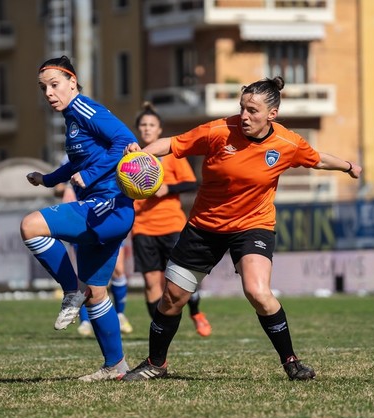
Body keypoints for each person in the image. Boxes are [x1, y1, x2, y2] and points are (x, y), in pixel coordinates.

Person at [121, 76, 361, 382]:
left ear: (272, 114)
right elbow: (172, 143)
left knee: (258, 292)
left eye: (253, 111)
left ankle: (291, 362)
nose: (244, 116)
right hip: (204, 226)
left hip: (253, 225)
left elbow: (316, 159)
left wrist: (349, 166)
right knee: (172, 299)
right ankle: (156, 364)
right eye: (242, 108)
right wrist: (141, 154)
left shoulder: (287, 143)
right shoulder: (218, 130)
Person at [21, 55, 135, 381]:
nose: (48, 92)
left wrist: (93, 173)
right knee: (97, 293)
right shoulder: (72, 118)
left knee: (30, 226)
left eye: (54, 85)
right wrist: (48, 179)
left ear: (72, 82)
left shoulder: (85, 109)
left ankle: (70, 290)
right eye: (43, 87)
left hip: (107, 207)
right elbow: (78, 161)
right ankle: (116, 366)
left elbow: (126, 142)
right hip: (107, 212)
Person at [132, 102, 211, 337]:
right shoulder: (131, 158)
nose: (147, 129)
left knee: (182, 279)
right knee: (150, 282)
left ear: (159, 130)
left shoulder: (170, 154)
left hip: (172, 225)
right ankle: (160, 329)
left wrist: (169, 188)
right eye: (143, 125)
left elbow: (191, 183)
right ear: (139, 129)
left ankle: (196, 313)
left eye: (151, 125)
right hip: (142, 227)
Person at [55, 179, 133, 338]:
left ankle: (120, 315)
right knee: (85, 276)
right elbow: (57, 186)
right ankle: (84, 320)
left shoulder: (117, 155)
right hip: (85, 219)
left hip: (112, 217)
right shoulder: (72, 156)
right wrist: (67, 187)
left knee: (118, 270)